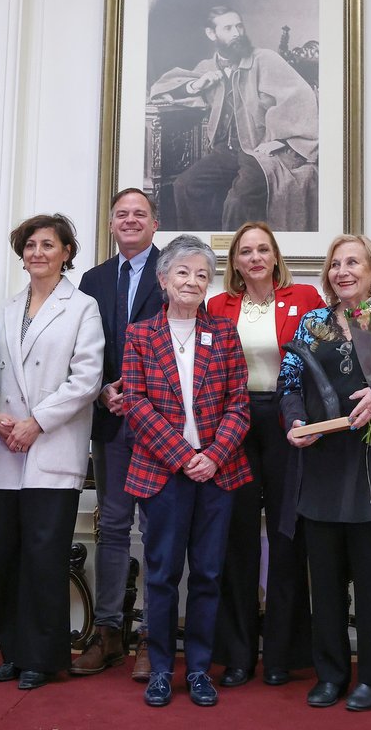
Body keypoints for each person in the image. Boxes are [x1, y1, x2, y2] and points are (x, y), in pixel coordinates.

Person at [279, 234, 371, 712]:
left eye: (353, 263)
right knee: (324, 584)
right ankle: (330, 674)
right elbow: (288, 384)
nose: (342, 271)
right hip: (320, 466)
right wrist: (294, 420)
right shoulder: (312, 322)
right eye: (335, 264)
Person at [121, 234, 251, 708]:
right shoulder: (140, 335)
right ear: (163, 279)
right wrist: (182, 455)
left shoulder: (225, 333)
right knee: (161, 575)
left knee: (208, 575)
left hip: (218, 471)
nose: (193, 281)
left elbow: (239, 403)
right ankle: (160, 670)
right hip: (162, 473)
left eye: (202, 274)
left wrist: (213, 455)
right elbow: (135, 403)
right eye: (183, 272)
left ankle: (198, 669)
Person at [0, 214, 104, 690]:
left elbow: (86, 379)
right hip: (6, 446)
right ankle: (13, 653)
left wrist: (37, 422)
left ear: (66, 252)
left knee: (44, 556)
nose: (38, 252)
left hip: (52, 445)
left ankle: (43, 658)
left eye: (48, 244)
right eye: (30, 245)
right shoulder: (7, 307)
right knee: (8, 554)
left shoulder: (83, 307)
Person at [206, 221, 321, 687]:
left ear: (275, 257)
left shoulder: (305, 298)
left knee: (286, 537)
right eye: (245, 251)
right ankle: (237, 655)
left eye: (262, 250)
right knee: (237, 539)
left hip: (287, 421)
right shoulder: (217, 305)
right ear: (234, 262)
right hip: (233, 423)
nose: (254, 258)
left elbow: (327, 353)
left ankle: (281, 655)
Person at [72, 187, 162, 680]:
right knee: (112, 525)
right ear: (110, 225)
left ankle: (152, 636)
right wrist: (104, 387)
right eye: (121, 214)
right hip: (109, 417)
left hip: (161, 422)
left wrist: (142, 393)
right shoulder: (94, 279)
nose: (130, 220)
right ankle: (108, 634)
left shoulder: (173, 269)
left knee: (157, 529)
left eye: (139, 214)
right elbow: (87, 343)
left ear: (154, 223)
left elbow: (181, 339)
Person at [149, 5, 318, 232]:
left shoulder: (265, 59)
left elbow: (301, 99)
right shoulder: (208, 67)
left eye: (239, 26)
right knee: (184, 186)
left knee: (237, 201)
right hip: (225, 151)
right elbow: (163, 88)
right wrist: (196, 85)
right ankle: (201, 249)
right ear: (211, 34)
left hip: (257, 151)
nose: (237, 33)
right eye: (228, 28)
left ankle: (237, 252)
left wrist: (280, 141)